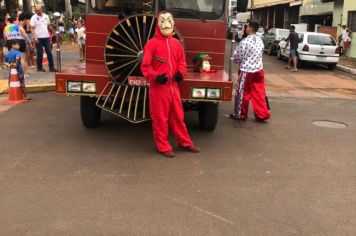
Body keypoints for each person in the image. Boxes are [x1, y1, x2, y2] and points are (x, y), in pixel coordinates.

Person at [141, 11, 200, 158]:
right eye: (162, 20)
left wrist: (181, 73)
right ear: (158, 24)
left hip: (174, 87)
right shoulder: (151, 44)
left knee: (178, 116)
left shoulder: (176, 44)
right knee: (160, 118)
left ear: (173, 23)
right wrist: (155, 76)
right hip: (159, 88)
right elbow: (145, 66)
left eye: (169, 20)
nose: (166, 23)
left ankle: (184, 142)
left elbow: (182, 62)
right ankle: (163, 146)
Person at [230, 20, 270, 122]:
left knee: (243, 93)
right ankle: (262, 114)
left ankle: (240, 114)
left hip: (247, 71)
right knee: (259, 93)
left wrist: (235, 60)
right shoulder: (259, 40)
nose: (245, 28)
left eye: (246, 26)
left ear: (250, 28)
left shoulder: (245, 41)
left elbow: (237, 56)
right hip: (259, 70)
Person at [30, 4, 56, 72]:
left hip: (46, 37)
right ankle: (39, 67)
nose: (37, 11)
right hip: (38, 38)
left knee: (49, 52)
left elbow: (49, 26)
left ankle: (51, 67)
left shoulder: (46, 16)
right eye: (36, 10)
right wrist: (35, 37)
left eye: (38, 10)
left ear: (42, 9)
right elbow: (31, 28)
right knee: (40, 53)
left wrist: (54, 32)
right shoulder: (33, 17)